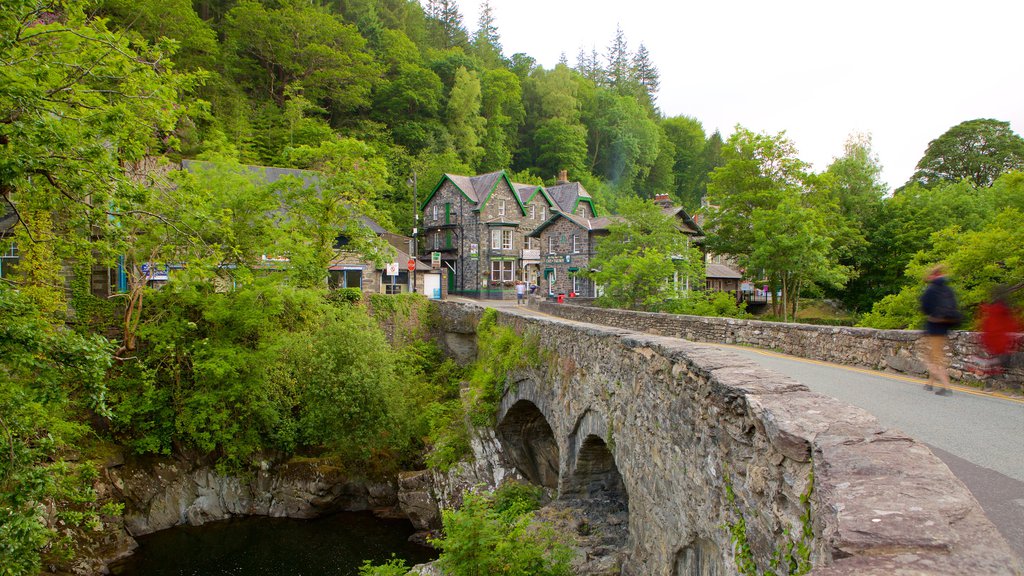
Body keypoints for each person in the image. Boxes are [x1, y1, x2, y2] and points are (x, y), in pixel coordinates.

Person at [920, 265, 961, 395]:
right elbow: (954, 306)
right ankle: (930, 383)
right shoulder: (948, 290)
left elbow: (925, 308)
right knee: (933, 354)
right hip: (945, 327)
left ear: (933, 275)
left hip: (933, 327)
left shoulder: (931, 289)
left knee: (935, 357)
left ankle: (946, 387)